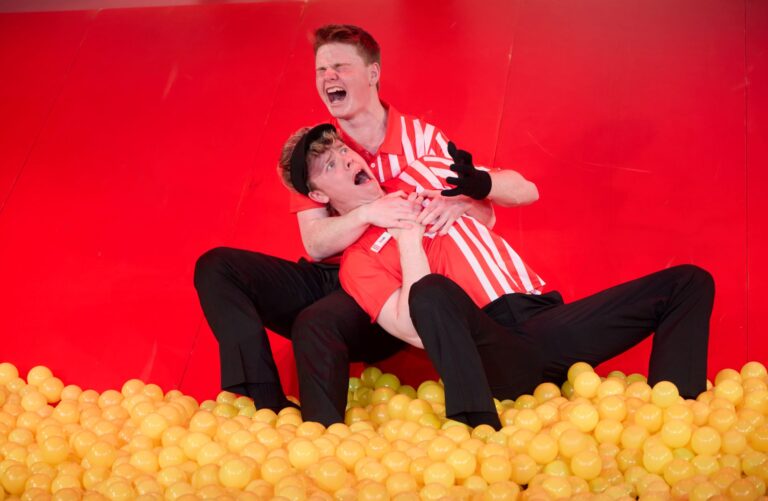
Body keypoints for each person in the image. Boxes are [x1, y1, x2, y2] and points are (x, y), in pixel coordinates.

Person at [193, 25, 538, 425]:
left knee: (317, 322)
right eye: (322, 70)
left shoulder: (421, 140)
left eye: (340, 66)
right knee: (217, 265)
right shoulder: (319, 150)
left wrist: (458, 201)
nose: (329, 78)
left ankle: (323, 436)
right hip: (335, 270)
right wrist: (365, 215)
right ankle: (267, 404)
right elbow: (316, 244)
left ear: (373, 74)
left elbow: (487, 210)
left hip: (392, 275)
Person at [279, 123, 715, 429]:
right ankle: (479, 431)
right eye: (331, 166)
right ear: (319, 195)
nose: (345, 159)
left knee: (689, 283)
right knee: (429, 292)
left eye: (343, 151)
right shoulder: (358, 260)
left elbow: (527, 189)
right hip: (493, 348)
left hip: (546, 321)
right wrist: (407, 235)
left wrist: (474, 189)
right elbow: (414, 330)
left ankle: (676, 421)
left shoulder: (422, 179)